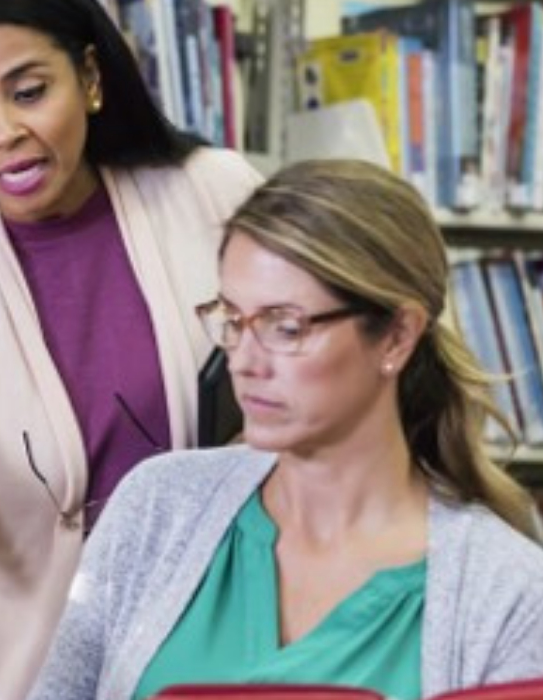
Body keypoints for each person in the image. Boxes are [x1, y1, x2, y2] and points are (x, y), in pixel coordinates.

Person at [0, 0, 263, 697]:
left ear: (92, 78)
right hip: (24, 674)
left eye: (29, 92)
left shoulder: (215, 194)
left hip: (219, 648)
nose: (4, 134)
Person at [27, 159, 543, 700]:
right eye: (232, 319)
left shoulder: (507, 594)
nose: (244, 361)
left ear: (396, 336)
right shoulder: (158, 505)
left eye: (285, 327)